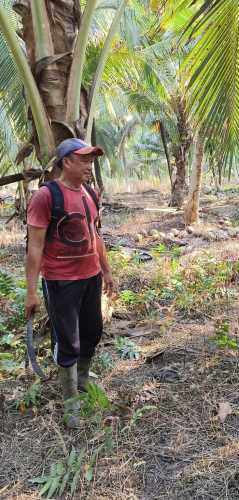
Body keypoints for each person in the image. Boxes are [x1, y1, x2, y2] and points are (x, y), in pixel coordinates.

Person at [25, 138, 115, 428]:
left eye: (92, 160)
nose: (90, 166)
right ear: (66, 162)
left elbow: (95, 236)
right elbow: (35, 248)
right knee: (68, 340)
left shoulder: (90, 193)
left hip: (91, 277)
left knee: (93, 331)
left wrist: (107, 271)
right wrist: (30, 292)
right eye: (84, 160)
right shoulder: (46, 197)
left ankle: (84, 380)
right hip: (61, 281)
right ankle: (70, 404)